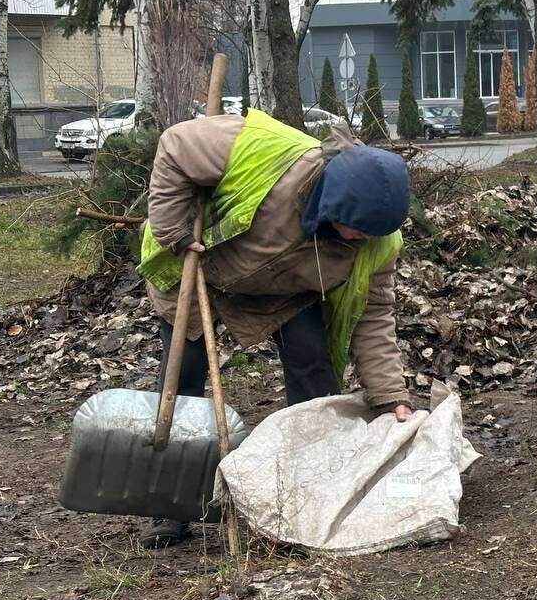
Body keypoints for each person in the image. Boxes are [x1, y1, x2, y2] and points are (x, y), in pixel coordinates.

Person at [137, 107, 411, 547]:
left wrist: (389, 396)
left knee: (314, 369)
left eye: (371, 233)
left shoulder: (378, 241)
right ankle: (168, 505)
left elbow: (374, 316)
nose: (362, 239)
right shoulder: (263, 152)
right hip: (197, 265)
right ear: (330, 200)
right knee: (181, 376)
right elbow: (174, 144)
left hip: (283, 293)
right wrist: (173, 231)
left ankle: (306, 496)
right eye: (355, 229)